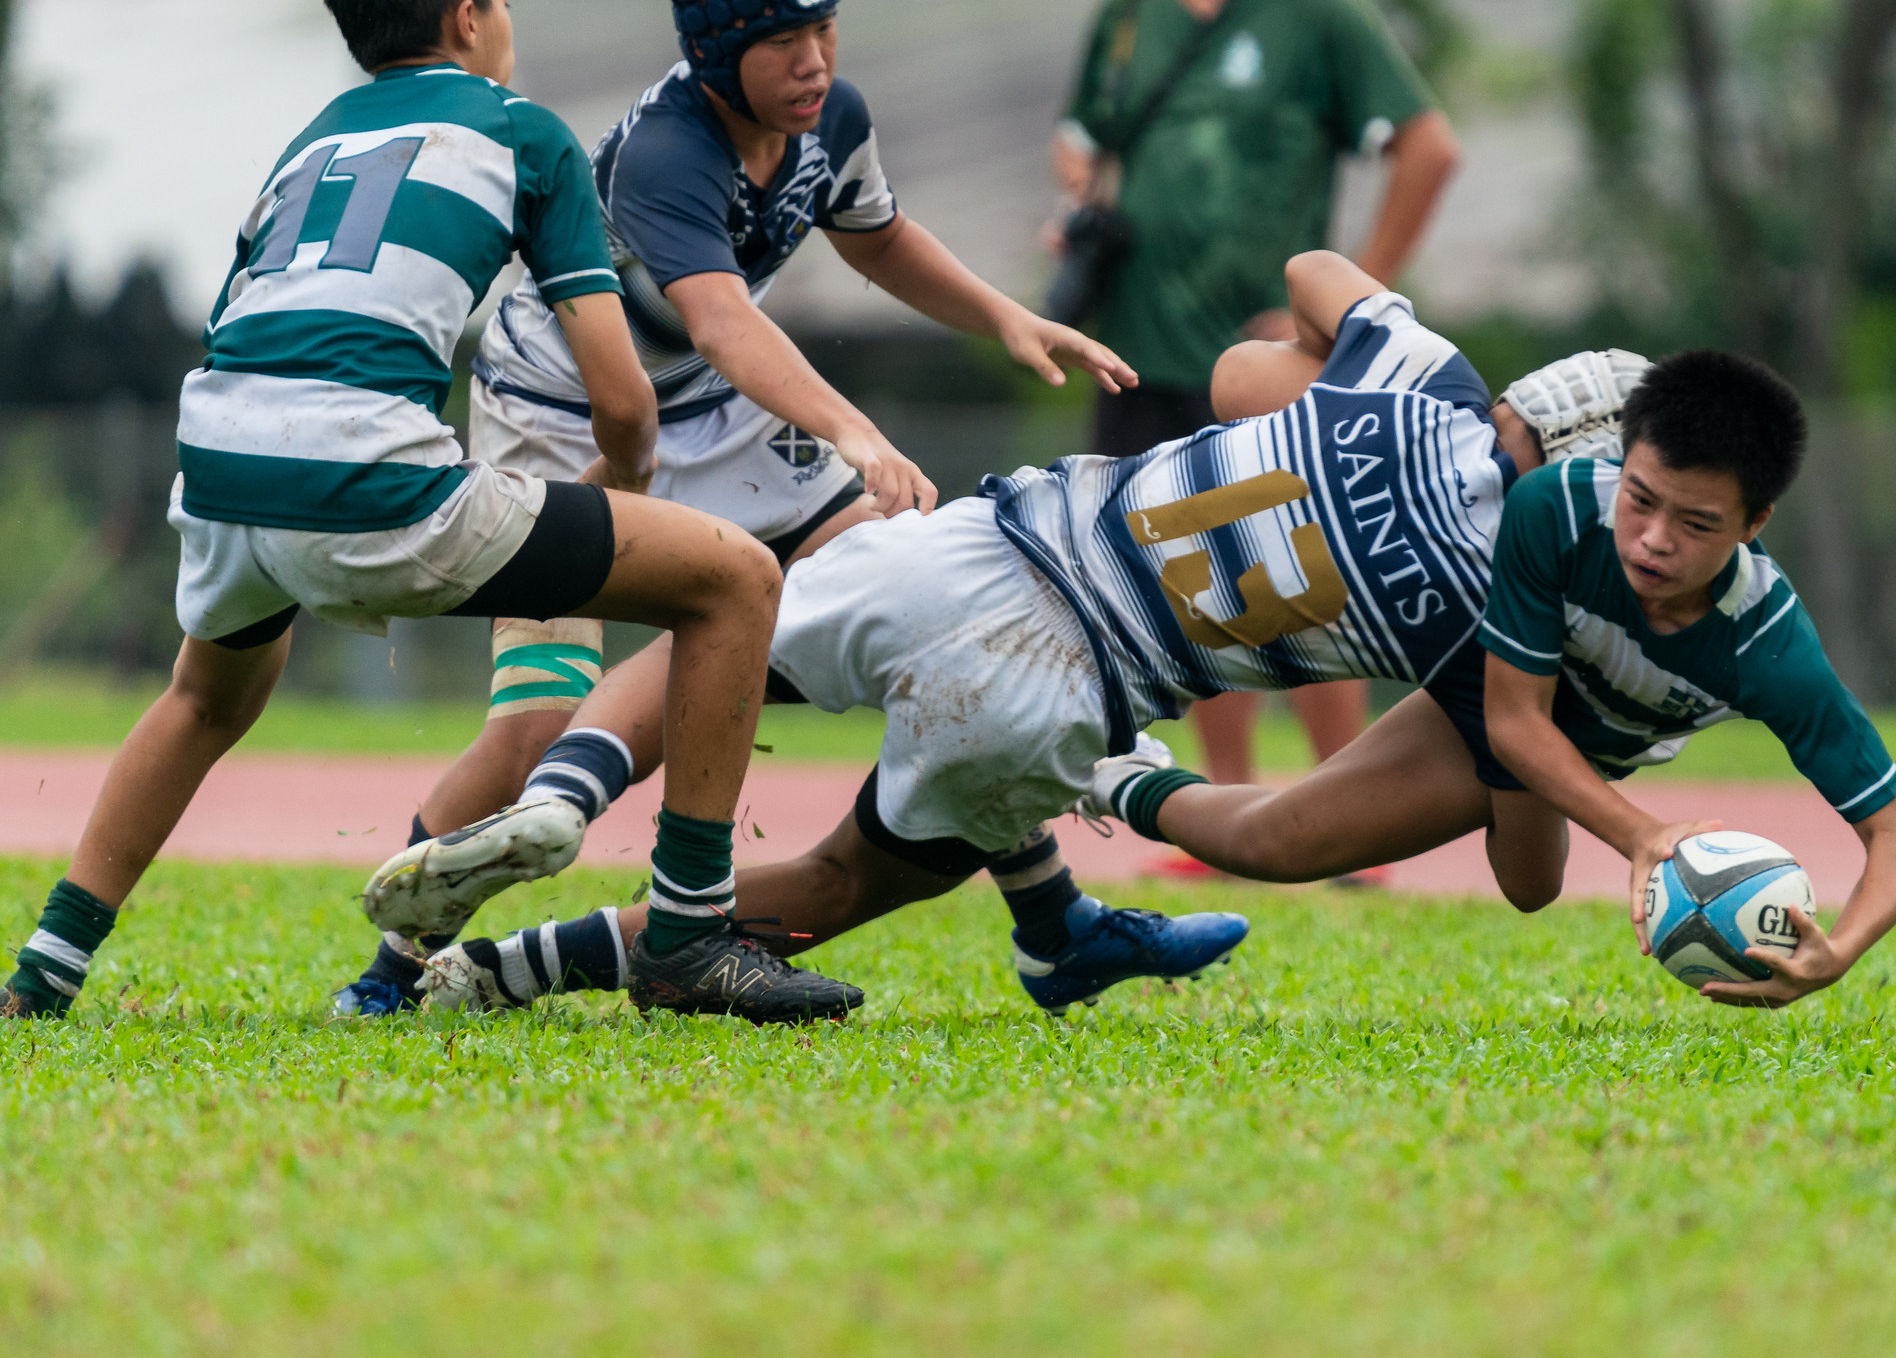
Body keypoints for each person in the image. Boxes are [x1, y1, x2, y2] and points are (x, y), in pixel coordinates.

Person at [386, 251, 1631, 1018]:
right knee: (838, 881)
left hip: (981, 547)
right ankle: (508, 973)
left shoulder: (1425, 385)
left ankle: (568, 787)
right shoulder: (1503, 604)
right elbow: (1525, 880)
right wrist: (1564, 742)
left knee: (719, 636)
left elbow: (1307, 276)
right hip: (1059, 694)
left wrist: (1306, 374)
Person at [0, 0, 862, 1026]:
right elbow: (624, 403)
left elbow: (247, 314)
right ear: (467, 16)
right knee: (736, 578)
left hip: (223, 462)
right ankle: (687, 941)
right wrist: (610, 500)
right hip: (369, 478)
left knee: (202, 700)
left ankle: (43, 973)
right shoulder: (524, 131)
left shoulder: (314, 135)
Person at [333, 0, 1136, 1016]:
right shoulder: (667, 151)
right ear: (714, 51)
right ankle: (390, 973)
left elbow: (876, 236)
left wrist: (1007, 317)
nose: (814, 62)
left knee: (924, 588)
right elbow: (719, 322)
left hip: (718, 411)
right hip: (564, 417)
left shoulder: (829, 117)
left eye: (824, 31)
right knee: (535, 730)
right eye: (783, 43)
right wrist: (855, 431)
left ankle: (1052, 916)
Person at [1088, 348, 1896, 1007]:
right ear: (1621, 460)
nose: (1650, 538)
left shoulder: (1767, 647)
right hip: (1503, 692)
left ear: (1754, 523)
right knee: (1273, 844)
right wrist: (1642, 835)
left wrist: (1841, 948)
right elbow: (1514, 723)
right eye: (1638, 497)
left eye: (1696, 523)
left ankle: (1120, 774)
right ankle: (1113, 772)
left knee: (1530, 888)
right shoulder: (1555, 506)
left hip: (1566, 735)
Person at [1051, 0, 1464, 849]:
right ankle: (1218, 812)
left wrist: (1355, 313)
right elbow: (1080, 133)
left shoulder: (1317, 17)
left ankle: (1350, 819)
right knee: (1178, 573)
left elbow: (1429, 146)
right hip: (1134, 346)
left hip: (1261, 361)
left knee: (1309, 568)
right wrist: (1085, 200)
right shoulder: (1128, 14)